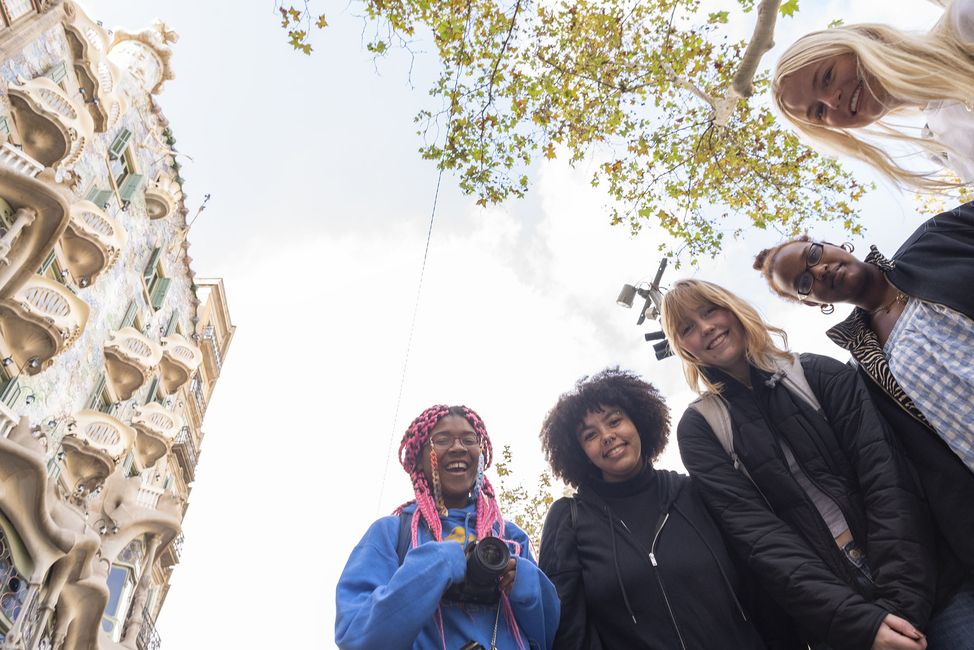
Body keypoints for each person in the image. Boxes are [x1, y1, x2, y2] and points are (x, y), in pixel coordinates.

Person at [660, 279, 972, 650]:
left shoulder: (820, 373)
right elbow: (760, 541)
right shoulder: (700, 430)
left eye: (709, 310)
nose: (705, 327)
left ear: (732, 308)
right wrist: (861, 624)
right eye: (687, 328)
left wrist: (900, 607)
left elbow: (889, 481)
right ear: (683, 348)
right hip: (839, 620)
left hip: (933, 585)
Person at [752, 203, 974, 579]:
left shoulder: (938, 240)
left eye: (813, 255)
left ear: (830, 244)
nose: (820, 271)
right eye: (806, 283)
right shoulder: (864, 374)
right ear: (811, 302)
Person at [537, 368, 801, 650]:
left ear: (638, 421)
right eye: (590, 435)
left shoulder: (696, 492)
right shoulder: (569, 520)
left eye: (615, 421)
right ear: (580, 453)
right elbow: (566, 629)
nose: (607, 436)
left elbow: (760, 588)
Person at [335, 404, 559, 650]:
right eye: (441, 440)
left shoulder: (509, 538)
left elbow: (552, 636)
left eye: (469, 439)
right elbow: (356, 637)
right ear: (419, 460)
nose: (458, 448)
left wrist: (525, 581)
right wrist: (434, 568)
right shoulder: (392, 533)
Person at [772, 0, 974, 189]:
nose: (831, 101)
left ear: (859, 40)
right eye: (819, 111)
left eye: (827, 77)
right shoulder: (943, 148)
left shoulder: (965, 19)